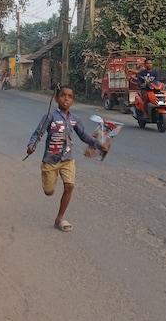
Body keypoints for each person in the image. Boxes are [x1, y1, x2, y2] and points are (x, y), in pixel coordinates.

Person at [26, 85, 107, 232]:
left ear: (73, 101)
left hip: (67, 160)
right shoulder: (50, 116)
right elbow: (38, 132)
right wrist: (32, 146)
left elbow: (84, 136)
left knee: (69, 186)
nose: (66, 99)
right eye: (63, 95)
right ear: (57, 98)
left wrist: (99, 145)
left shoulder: (75, 120)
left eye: (69, 97)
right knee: (49, 192)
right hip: (50, 160)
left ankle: (59, 218)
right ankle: (49, 184)